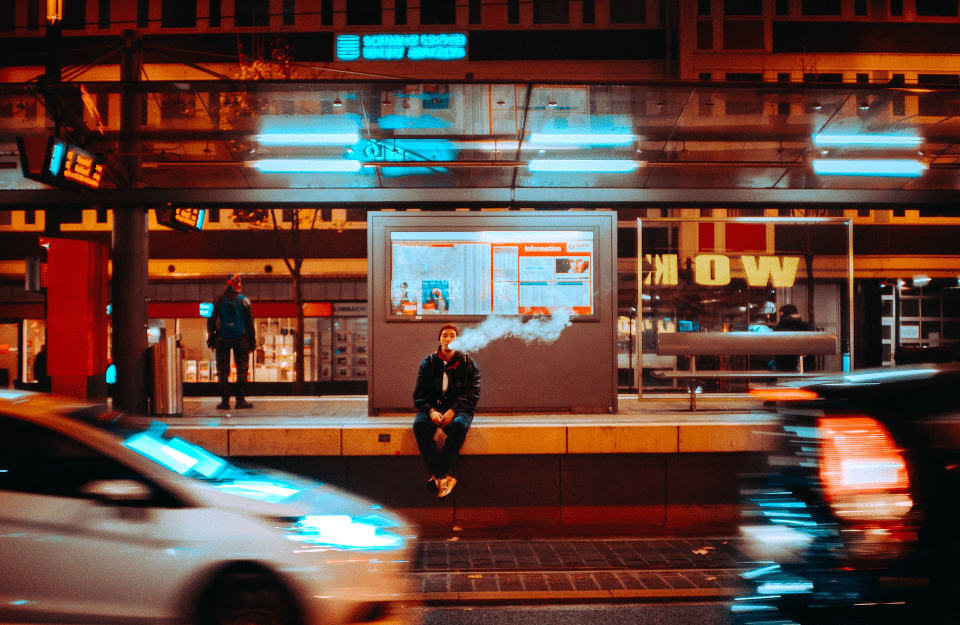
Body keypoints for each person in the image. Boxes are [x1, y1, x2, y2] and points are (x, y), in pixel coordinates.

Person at [412, 323, 481, 499]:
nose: (448, 338)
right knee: (420, 426)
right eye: (445, 335)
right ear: (439, 340)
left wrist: (453, 410)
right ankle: (443, 476)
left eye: (452, 335)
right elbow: (419, 394)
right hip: (433, 409)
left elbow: (473, 393)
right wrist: (431, 411)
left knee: (459, 427)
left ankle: (438, 475)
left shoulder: (467, 363)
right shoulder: (428, 363)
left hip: (459, 409)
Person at [207, 273, 256, 409]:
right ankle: (240, 400)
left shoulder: (217, 300)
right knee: (242, 369)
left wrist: (211, 341)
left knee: (222, 370)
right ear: (239, 285)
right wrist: (252, 343)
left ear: (226, 285)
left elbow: (210, 321)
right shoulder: (244, 301)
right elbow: (250, 324)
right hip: (242, 340)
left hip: (221, 340)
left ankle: (224, 401)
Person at [770, 303, 815, 372]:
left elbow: (774, 348)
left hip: (783, 365)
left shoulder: (779, 328)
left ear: (782, 313)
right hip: (804, 364)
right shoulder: (808, 326)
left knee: (770, 365)